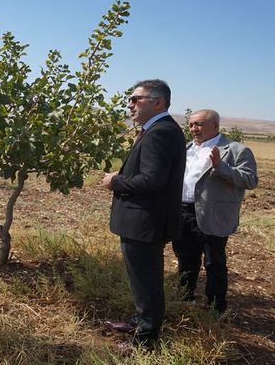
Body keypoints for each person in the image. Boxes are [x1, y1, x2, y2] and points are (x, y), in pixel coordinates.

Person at [101, 79, 186, 349]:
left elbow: (152, 181)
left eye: (135, 99)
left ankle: (145, 340)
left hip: (145, 222)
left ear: (157, 102)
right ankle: (140, 320)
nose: (129, 104)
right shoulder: (160, 129)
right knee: (142, 281)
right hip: (145, 221)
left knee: (147, 283)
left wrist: (115, 181)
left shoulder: (160, 132)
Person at [172, 109, 258, 315]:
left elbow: (250, 180)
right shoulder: (186, 148)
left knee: (214, 263)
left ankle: (216, 309)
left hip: (214, 215)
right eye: (191, 124)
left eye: (199, 124)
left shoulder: (236, 150)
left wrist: (221, 167)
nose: (194, 128)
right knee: (186, 260)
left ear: (215, 126)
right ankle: (185, 300)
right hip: (184, 212)